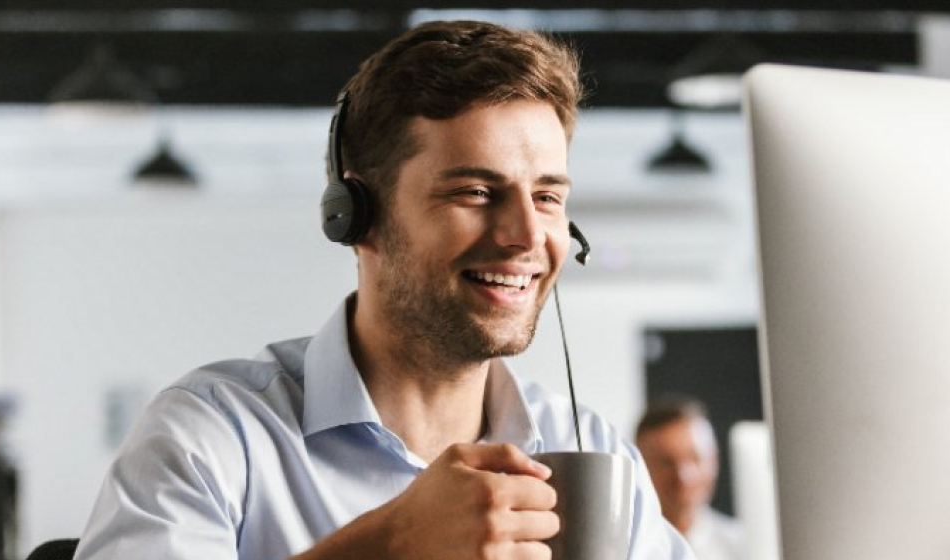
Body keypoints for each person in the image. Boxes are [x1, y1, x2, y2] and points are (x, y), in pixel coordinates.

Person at [73, 20, 695, 560]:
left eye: (548, 197)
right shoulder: (212, 436)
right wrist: (387, 546)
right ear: (356, 216)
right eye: (476, 192)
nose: (527, 235)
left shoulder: (587, 449)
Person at [635, 396, 744, 560]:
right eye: (666, 462)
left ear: (714, 459)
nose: (684, 476)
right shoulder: (625, 549)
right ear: (640, 467)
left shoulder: (744, 546)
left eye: (695, 458)